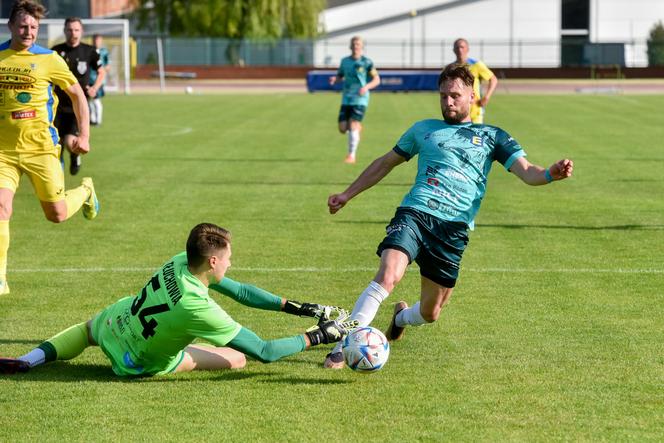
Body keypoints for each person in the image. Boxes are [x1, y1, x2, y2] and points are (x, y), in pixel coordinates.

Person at [322, 64, 573, 369]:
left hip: (453, 230)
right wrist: (348, 194)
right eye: (443, 96)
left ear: (472, 95)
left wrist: (550, 173)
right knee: (389, 274)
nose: (448, 102)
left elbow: (529, 173)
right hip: (416, 212)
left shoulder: (492, 136)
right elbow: (385, 163)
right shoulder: (423, 129)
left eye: (455, 95)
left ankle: (400, 318)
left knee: (430, 313)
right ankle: (342, 345)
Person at [0, 223, 357, 376]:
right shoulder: (199, 309)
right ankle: (169, 359)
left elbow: (242, 293)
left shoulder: (180, 261)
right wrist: (318, 335)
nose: (231, 262)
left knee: (87, 329)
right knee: (236, 359)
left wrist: (295, 307)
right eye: (229, 257)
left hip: (114, 323)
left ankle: (29, 360)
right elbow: (263, 351)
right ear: (213, 261)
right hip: (135, 362)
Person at [0, 1, 100, 296]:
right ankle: (1, 278)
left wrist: (84, 135)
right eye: (23, 26)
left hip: (42, 149)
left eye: (34, 27)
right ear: (10, 26)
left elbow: (78, 95)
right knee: (1, 207)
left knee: (55, 214)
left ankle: (85, 192)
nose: (28, 31)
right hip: (3, 152)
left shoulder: (50, 59)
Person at [52, 17, 106, 175]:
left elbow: (102, 72)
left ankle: (74, 156)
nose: (73, 33)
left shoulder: (89, 51)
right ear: (64, 31)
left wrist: (95, 87)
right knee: (56, 144)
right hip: (57, 105)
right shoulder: (55, 51)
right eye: (69, 30)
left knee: (69, 142)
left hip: (78, 106)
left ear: (81, 32)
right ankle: (58, 173)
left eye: (76, 30)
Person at [328, 36, 381, 164]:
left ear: (361, 47)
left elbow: (376, 79)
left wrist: (366, 87)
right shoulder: (344, 61)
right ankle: (357, 127)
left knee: (352, 125)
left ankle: (351, 156)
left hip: (360, 98)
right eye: (354, 44)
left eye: (358, 44)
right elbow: (340, 76)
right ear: (350, 46)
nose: (356, 47)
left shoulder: (366, 62)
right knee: (342, 128)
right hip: (346, 98)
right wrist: (335, 80)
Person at [451, 38, 498, 124]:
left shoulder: (476, 65)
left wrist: (487, 97)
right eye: (457, 47)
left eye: (462, 47)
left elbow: (493, 79)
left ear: (467, 49)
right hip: (457, 110)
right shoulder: (451, 68)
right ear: (453, 50)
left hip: (475, 110)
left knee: (476, 136)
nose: (459, 50)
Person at [88, 34, 109, 126]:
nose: (96, 42)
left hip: (98, 81)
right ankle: (92, 118)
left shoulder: (104, 52)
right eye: (95, 40)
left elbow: (108, 66)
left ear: (101, 41)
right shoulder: (89, 51)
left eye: (98, 40)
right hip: (88, 79)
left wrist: (102, 72)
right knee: (88, 100)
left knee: (96, 100)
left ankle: (98, 120)